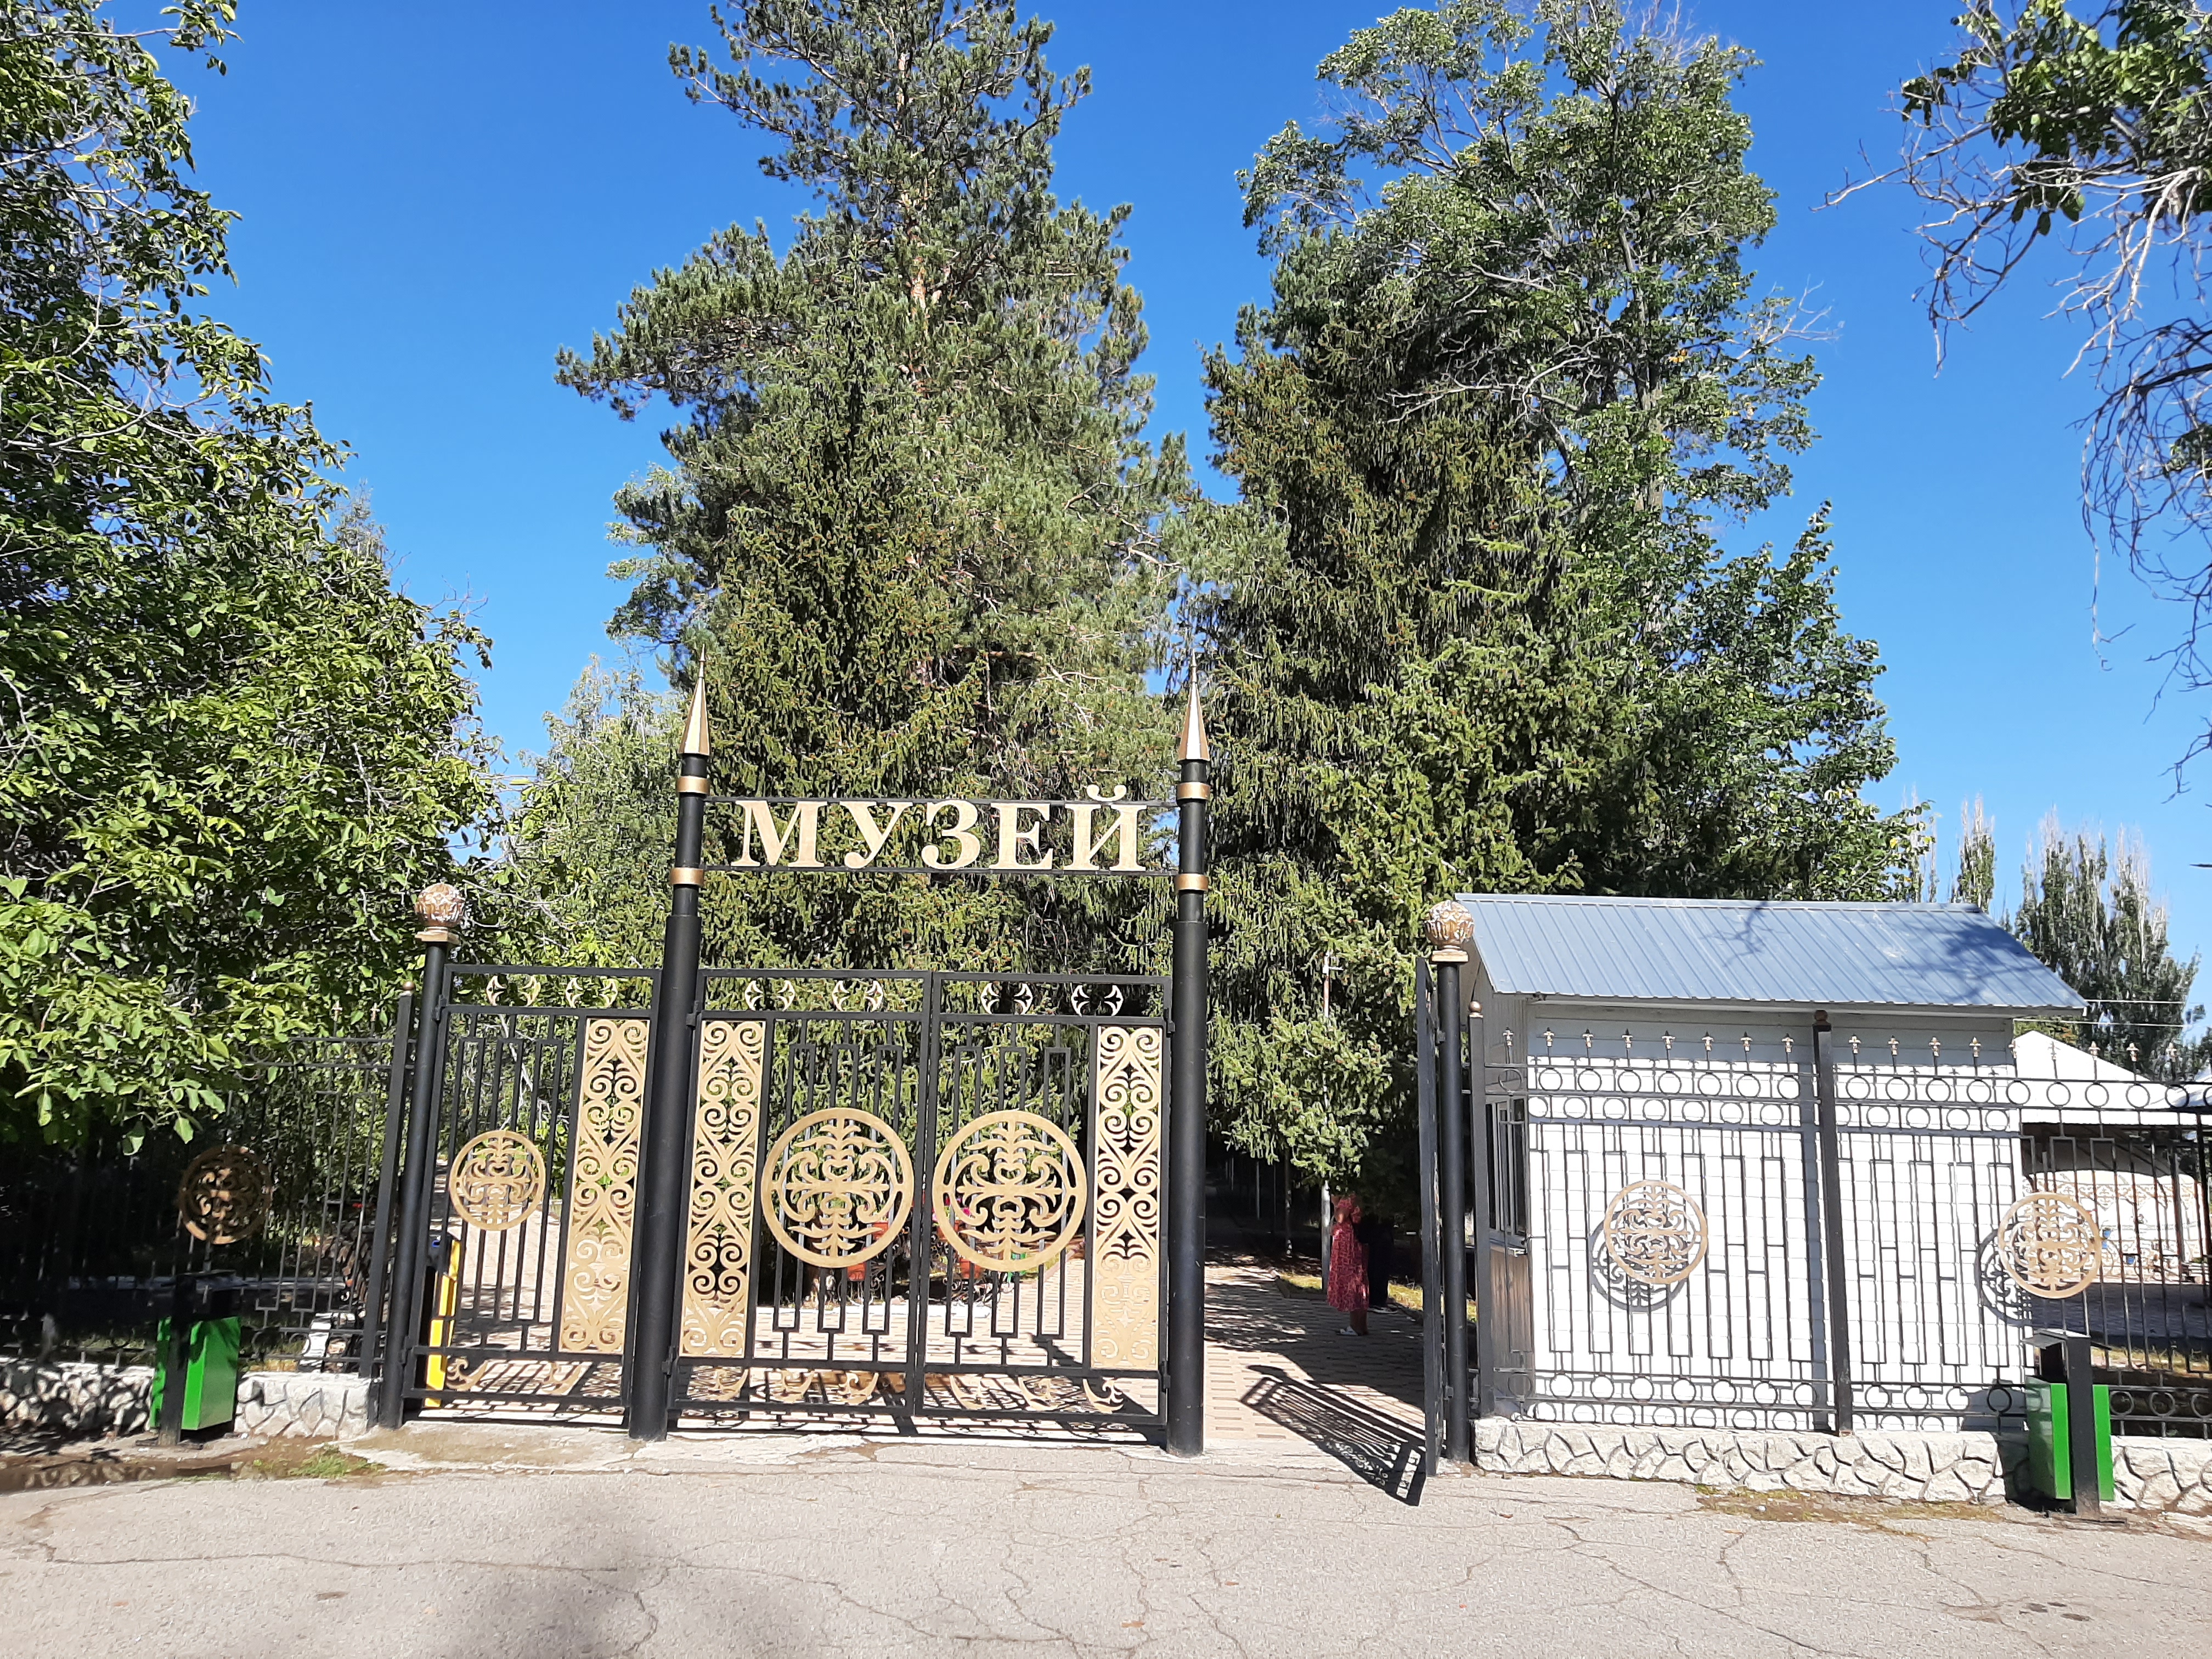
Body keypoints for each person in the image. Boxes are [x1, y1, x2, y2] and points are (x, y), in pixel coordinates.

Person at [1328, 1194, 1369, 1336]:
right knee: (1360, 1282)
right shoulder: (1360, 1196)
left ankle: (1355, 1326)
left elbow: (1340, 1218)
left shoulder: (1349, 1197)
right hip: (1357, 1244)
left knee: (1352, 1283)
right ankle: (1361, 1325)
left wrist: (1335, 1204)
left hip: (1348, 1247)